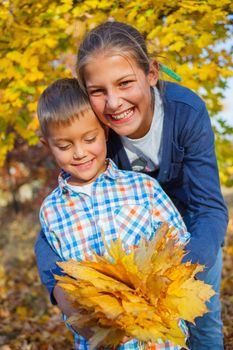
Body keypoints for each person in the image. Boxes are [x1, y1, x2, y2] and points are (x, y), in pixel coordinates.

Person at [35, 22, 228, 350]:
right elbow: (52, 228)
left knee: (203, 326)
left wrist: (172, 278)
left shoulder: (185, 112)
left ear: (151, 72)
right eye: (98, 91)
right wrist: (59, 288)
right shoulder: (94, 132)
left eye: (125, 83)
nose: (113, 103)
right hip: (129, 253)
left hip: (192, 241)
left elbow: (209, 208)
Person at [37, 77, 189, 350]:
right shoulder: (51, 211)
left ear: (105, 131)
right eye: (64, 146)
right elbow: (63, 280)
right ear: (47, 146)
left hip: (157, 337)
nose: (80, 152)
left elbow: (178, 246)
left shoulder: (142, 188)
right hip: (100, 340)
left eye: (89, 138)